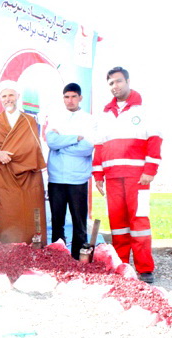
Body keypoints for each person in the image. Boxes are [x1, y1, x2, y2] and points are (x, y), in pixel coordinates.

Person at [93, 67, 162, 283]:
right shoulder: (105, 114)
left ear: (128, 81)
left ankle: (145, 268)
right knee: (118, 224)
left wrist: (150, 171)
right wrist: (98, 175)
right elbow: (99, 146)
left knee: (139, 223)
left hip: (137, 177)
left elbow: (155, 140)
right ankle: (122, 265)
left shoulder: (144, 110)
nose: (115, 86)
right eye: (111, 83)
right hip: (113, 177)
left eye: (119, 81)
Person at [0, 81, 47, 244]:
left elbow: (34, 149)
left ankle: (27, 242)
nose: (8, 99)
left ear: (17, 97)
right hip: (1, 176)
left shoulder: (28, 120)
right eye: (4, 96)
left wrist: (16, 159)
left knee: (24, 212)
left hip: (24, 175)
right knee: (2, 213)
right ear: (0, 99)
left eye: (11, 95)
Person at [46, 83, 96, 259]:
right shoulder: (55, 117)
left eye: (74, 96)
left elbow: (87, 148)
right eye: (67, 97)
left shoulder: (89, 120)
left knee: (79, 222)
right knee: (57, 221)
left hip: (78, 179)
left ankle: (78, 258)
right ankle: (57, 256)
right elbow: (52, 142)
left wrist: (62, 145)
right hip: (56, 179)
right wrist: (75, 138)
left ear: (80, 98)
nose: (70, 100)